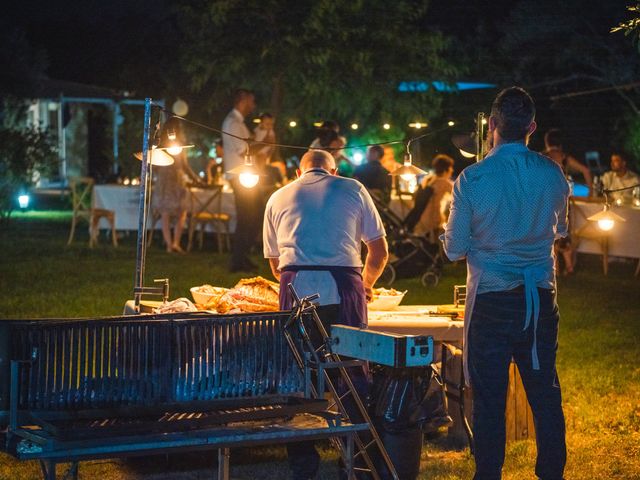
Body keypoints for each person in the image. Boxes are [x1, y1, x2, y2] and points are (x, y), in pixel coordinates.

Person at [442, 87, 569, 480]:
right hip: (538, 299)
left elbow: (453, 249)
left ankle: (488, 475)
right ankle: (551, 472)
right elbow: (560, 230)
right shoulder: (552, 172)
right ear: (531, 127)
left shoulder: (473, 178)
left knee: (490, 399)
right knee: (545, 393)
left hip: (493, 300)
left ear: (492, 125)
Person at [263, 149, 388, 480]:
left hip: (295, 286)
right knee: (351, 373)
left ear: (298, 172)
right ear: (333, 169)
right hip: (345, 285)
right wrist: (368, 284)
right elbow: (380, 250)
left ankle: (303, 463)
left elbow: (275, 264)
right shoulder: (353, 188)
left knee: (298, 374)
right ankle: (358, 458)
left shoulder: (277, 196)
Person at [222, 88, 261, 272]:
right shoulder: (233, 123)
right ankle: (238, 260)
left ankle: (241, 258)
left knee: (251, 217)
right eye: (251, 101)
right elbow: (244, 149)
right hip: (240, 177)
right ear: (243, 101)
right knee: (248, 218)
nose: (253, 106)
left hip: (244, 176)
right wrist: (263, 142)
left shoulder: (238, 123)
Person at [152, 117, 202, 253]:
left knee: (178, 212)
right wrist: (196, 179)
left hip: (174, 180)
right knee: (167, 213)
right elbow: (184, 165)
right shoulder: (162, 145)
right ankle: (171, 244)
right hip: (168, 180)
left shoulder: (180, 145)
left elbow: (184, 165)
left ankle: (174, 243)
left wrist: (195, 178)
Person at [411, 154, 454, 239]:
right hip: (433, 219)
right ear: (447, 169)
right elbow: (460, 195)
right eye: (451, 167)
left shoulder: (428, 179)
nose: (452, 170)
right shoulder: (444, 183)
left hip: (420, 218)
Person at [544, 128, 593, 195]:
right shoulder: (564, 157)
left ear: (547, 143)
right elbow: (586, 171)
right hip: (560, 198)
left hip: (543, 196)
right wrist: (590, 193)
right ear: (560, 144)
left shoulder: (540, 157)